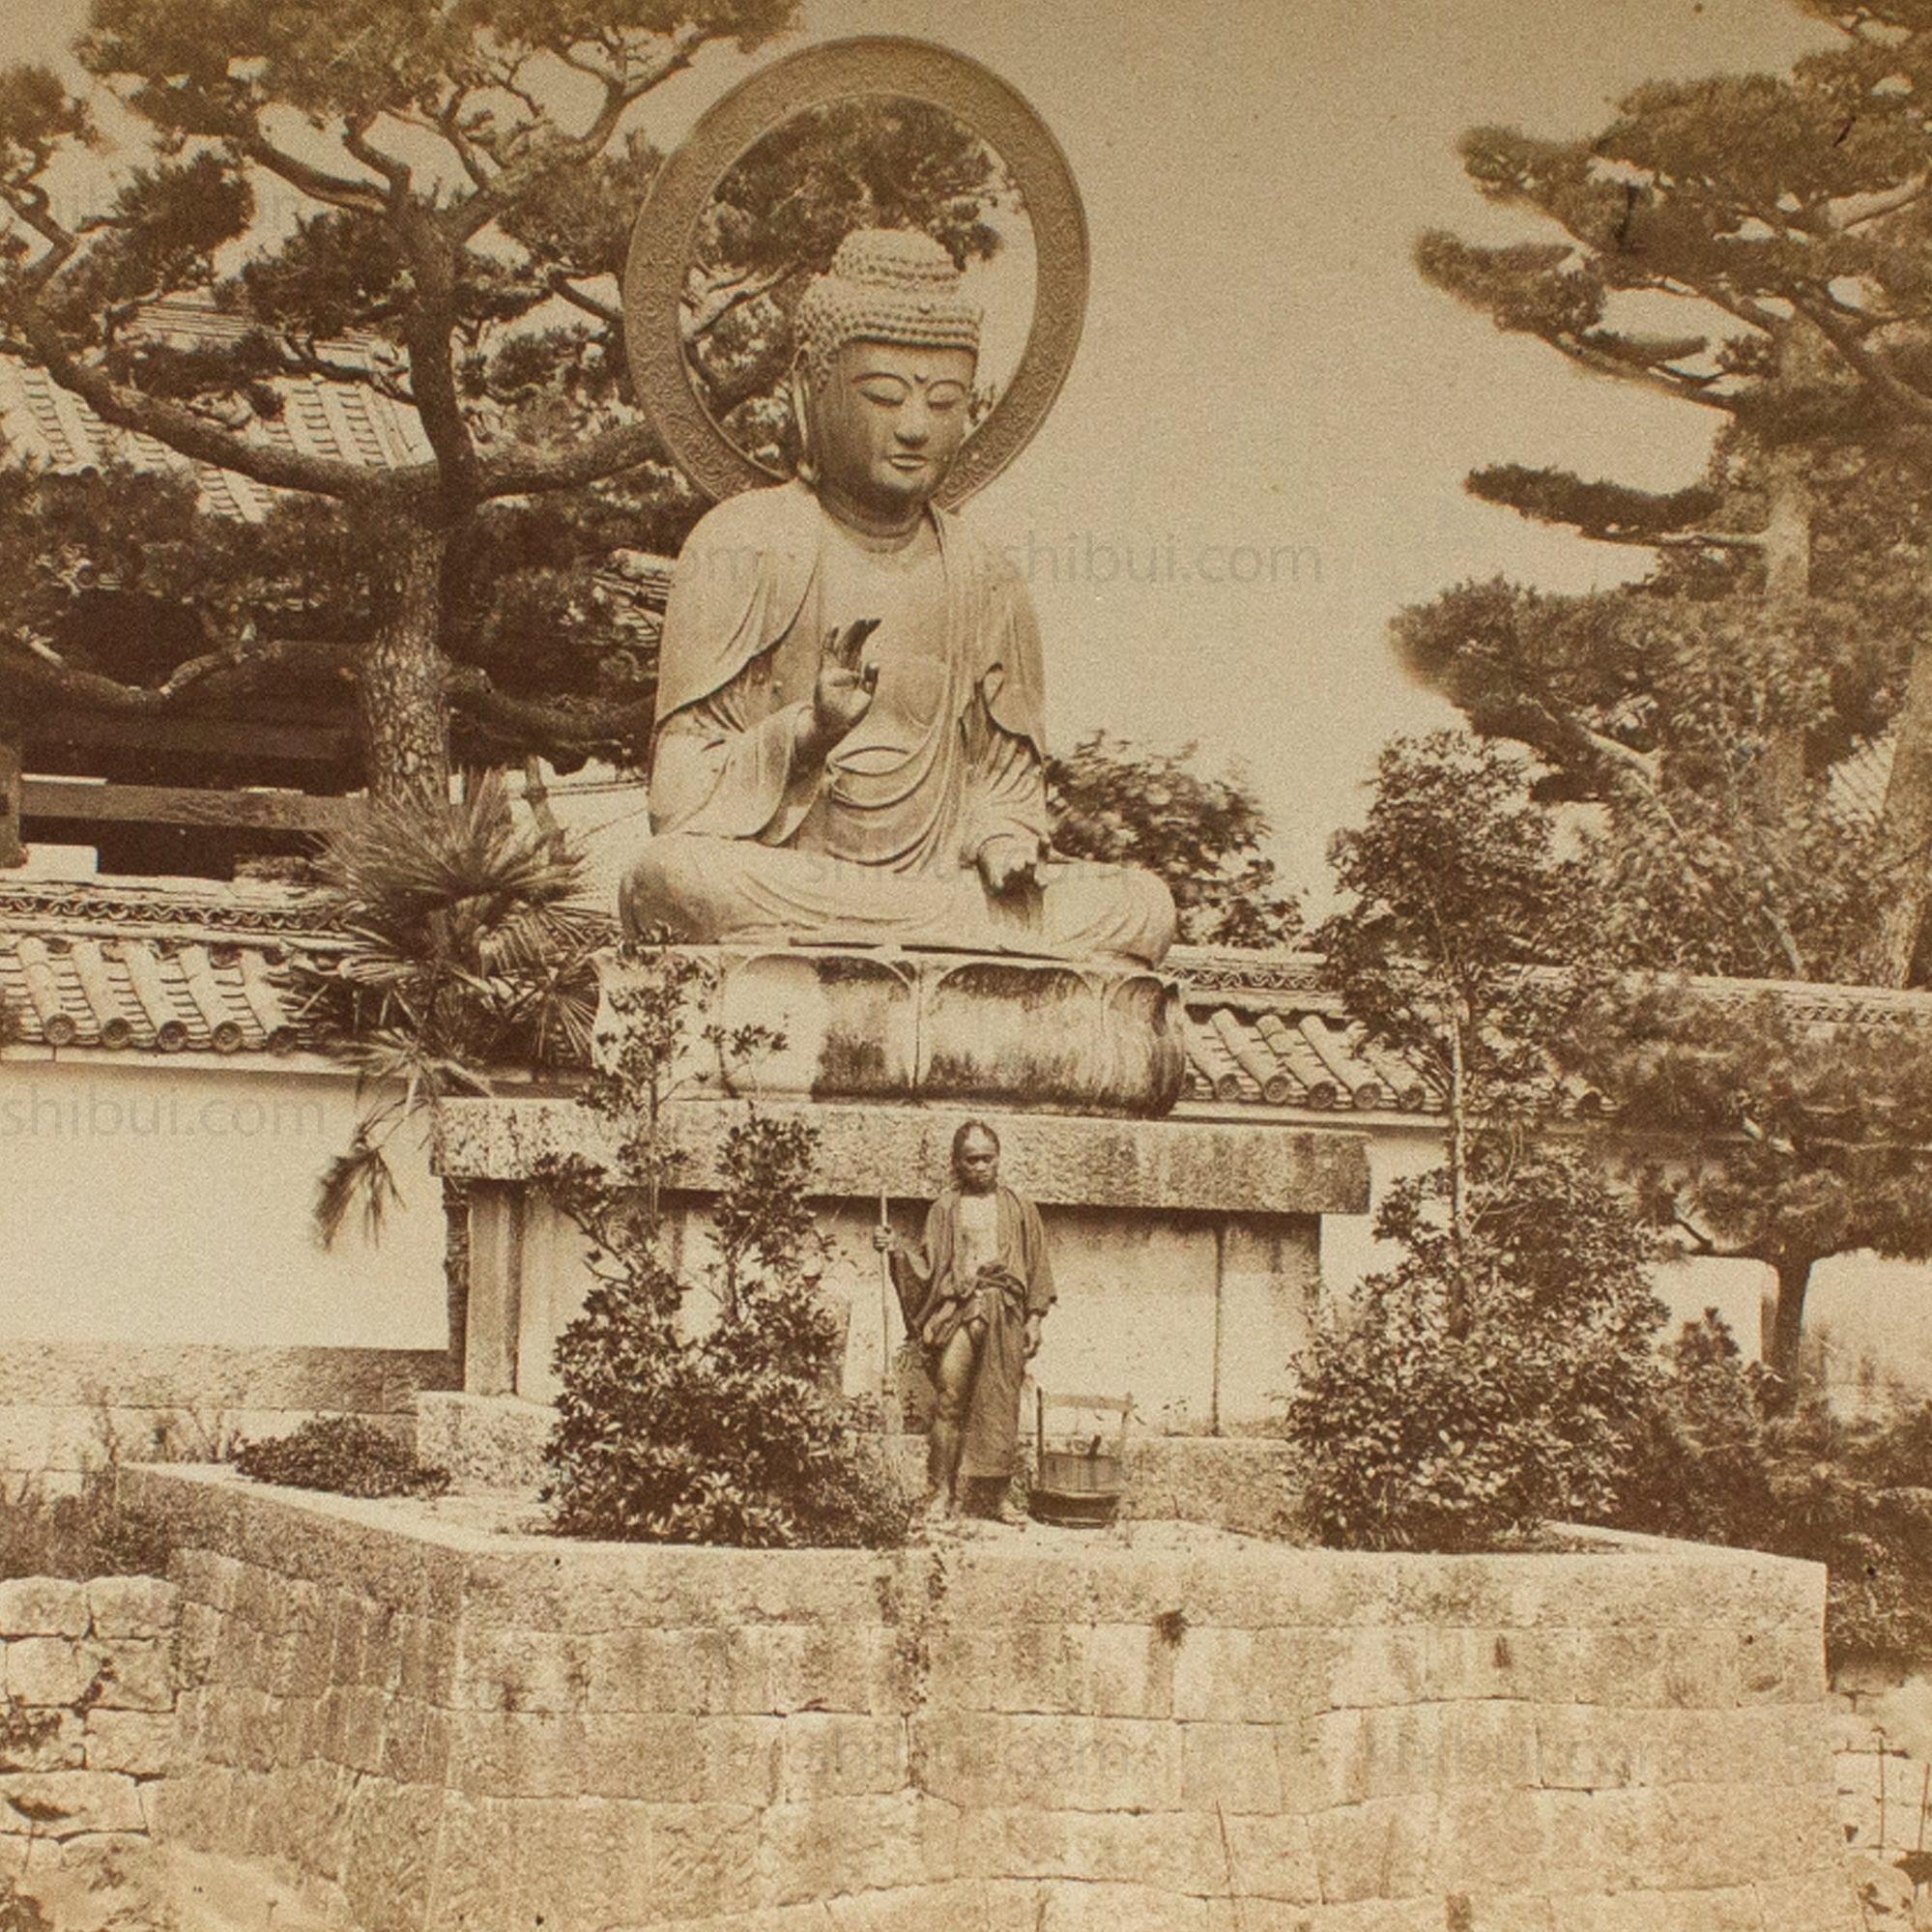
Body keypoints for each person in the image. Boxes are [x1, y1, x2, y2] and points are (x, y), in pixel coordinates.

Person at [620, 226, 1175, 966]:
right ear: (807, 391)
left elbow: (1006, 787)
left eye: (944, 402)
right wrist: (809, 730)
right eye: (883, 395)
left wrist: (1002, 838)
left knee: (1140, 907)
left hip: (937, 888)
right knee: (673, 880)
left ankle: (923, 930)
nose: (914, 427)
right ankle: (946, 939)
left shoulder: (987, 576)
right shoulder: (741, 543)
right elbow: (678, 801)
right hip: (790, 878)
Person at [875, 1120, 1053, 1522]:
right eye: (971, 1159)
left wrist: (1035, 1319)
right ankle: (941, 1491)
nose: (981, 1167)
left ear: (998, 1158)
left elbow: (1038, 1267)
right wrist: (894, 1251)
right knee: (950, 1399)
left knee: (1001, 1404)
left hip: (1005, 1313)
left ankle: (997, 1499)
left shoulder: (1020, 1208)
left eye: (988, 1158)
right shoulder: (945, 1209)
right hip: (959, 1309)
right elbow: (927, 1268)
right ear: (958, 1163)